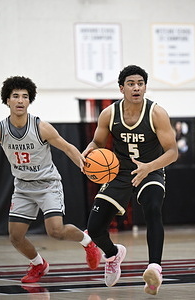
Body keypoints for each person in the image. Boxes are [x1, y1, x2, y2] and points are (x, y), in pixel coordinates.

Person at [0, 76, 101, 283]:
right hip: (22, 187)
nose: (20, 100)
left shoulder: (41, 127)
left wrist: (83, 163)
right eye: (15, 96)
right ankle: (38, 264)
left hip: (47, 184)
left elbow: (67, 147)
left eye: (25, 96)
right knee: (15, 236)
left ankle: (88, 243)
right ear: (7, 100)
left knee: (56, 231)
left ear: (30, 100)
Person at [81, 65, 178, 295]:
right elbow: (97, 142)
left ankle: (155, 267)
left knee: (153, 207)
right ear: (121, 88)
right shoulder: (109, 114)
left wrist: (149, 167)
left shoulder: (156, 113)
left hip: (151, 169)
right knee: (94, 228)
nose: (136, 88)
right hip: (119, 171)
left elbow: (172, 152)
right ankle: (113, 254)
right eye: (131, 84)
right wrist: (89, 150)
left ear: (145, 87)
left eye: (140, 83)